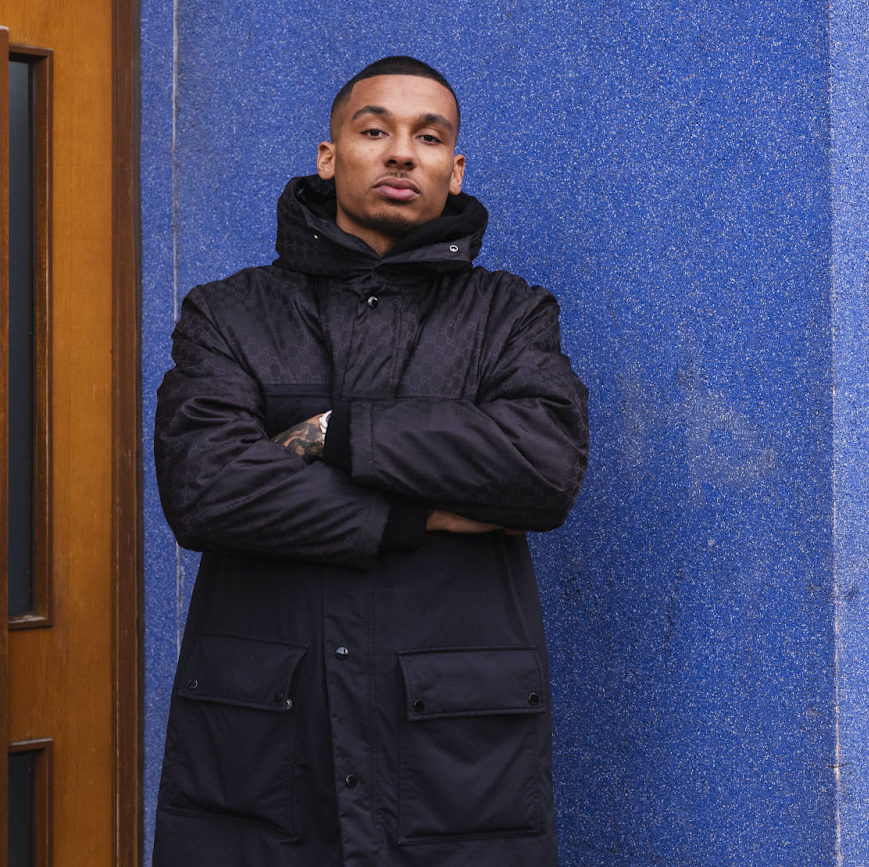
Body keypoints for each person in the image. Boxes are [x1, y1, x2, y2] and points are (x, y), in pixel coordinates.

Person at [151, 55, 589, 867]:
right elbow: (206, 488)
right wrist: (417, 514)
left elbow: (543, 467)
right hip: (264, 748)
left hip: (455, 758)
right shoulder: (230, 314)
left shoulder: (510, 317)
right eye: (374, 130)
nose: (401, 153)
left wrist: (336, 431)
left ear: (454, 170)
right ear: (329, 156)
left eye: (429, 137)